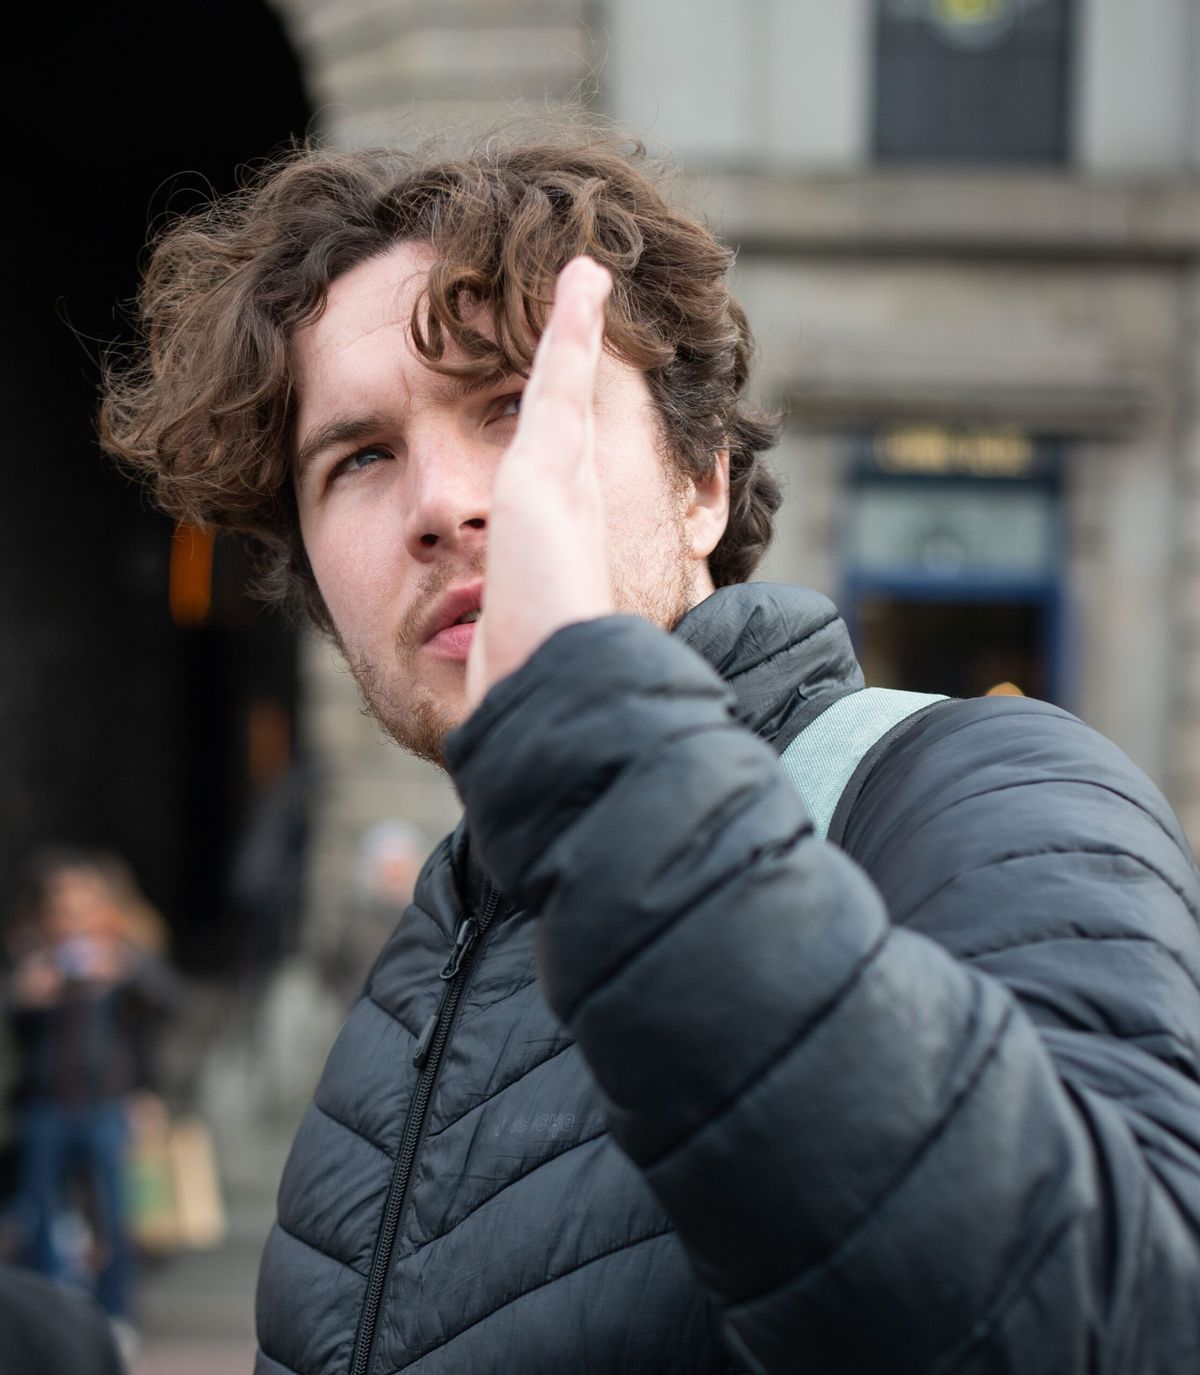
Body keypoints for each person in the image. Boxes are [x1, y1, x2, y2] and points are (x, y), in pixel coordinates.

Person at [99, 129, 1200, 1374]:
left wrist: (592, 733)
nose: (444, 503)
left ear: (704, 486)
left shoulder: (985, 788)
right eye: (358, 458)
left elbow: (1117, 1324)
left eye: (511, 405)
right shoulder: (416, 980)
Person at [4, 849, 177, 1339]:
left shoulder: (123, 958)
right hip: (45, 1107)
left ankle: (115, 1317)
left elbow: (168, 1008)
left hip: (107, 1105)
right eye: (62, 907)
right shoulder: (31, 958)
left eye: (83, 907)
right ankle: (37, 1319)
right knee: (37, 1213)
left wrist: (128, 972)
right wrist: (25, 993)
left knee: (115, 1214)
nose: (72, 920)